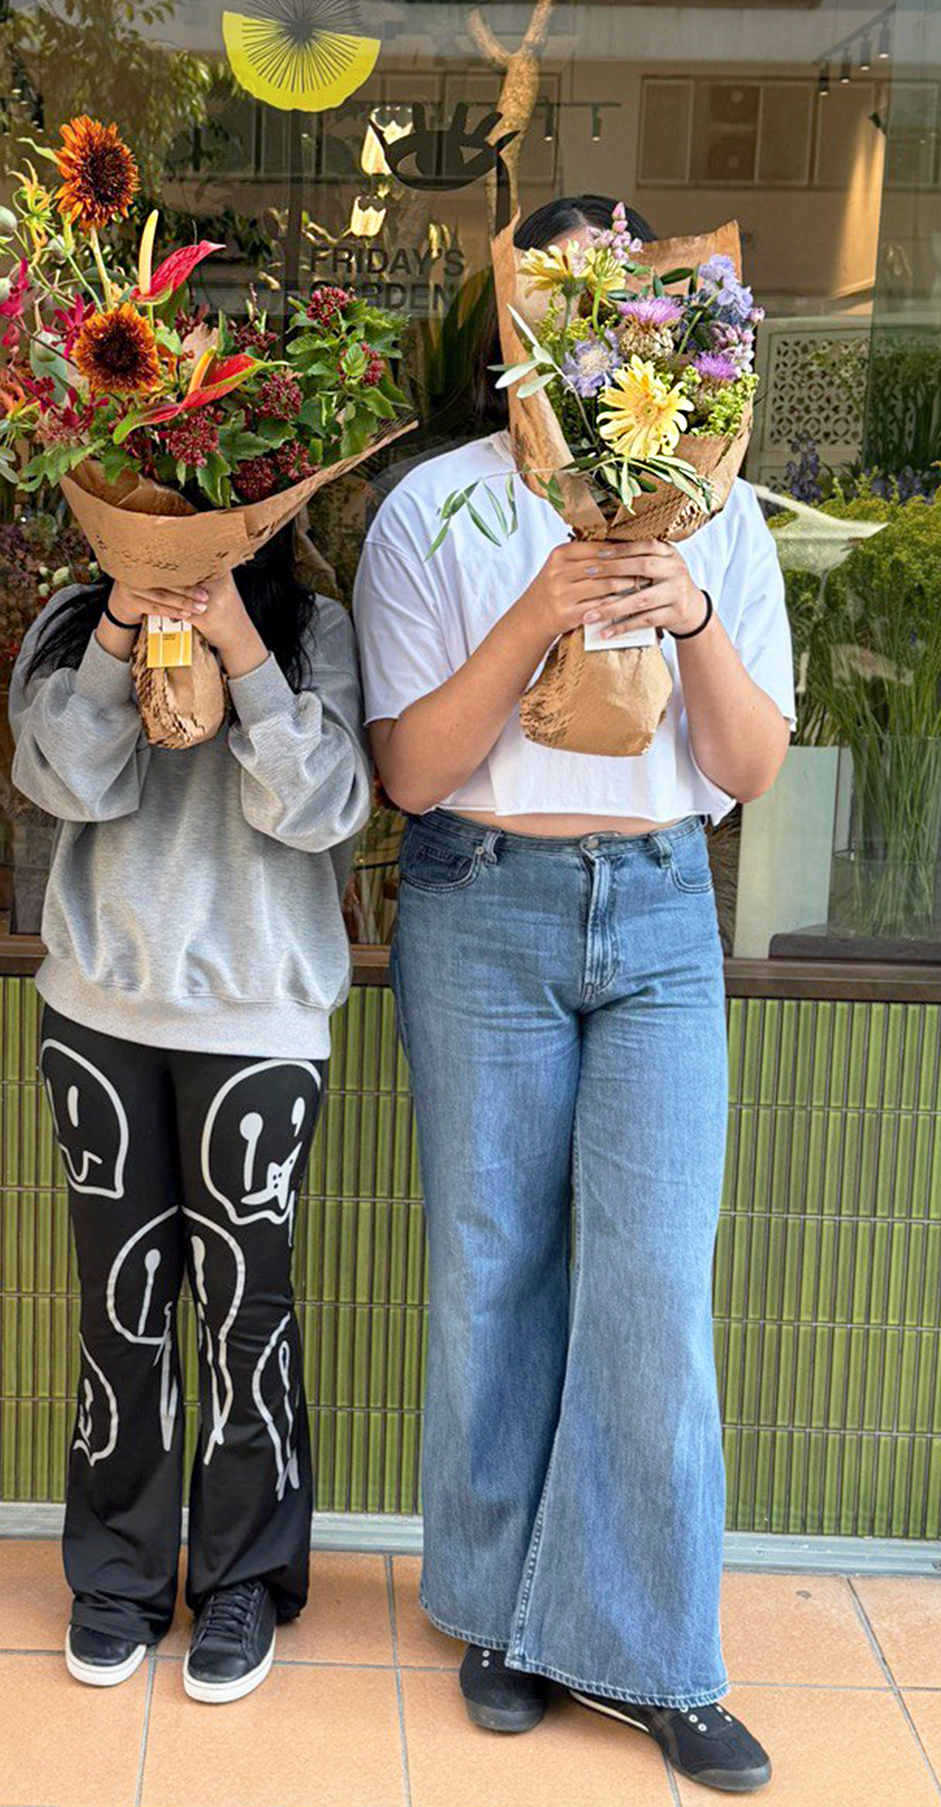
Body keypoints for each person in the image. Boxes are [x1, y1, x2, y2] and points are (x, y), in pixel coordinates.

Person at [352, 196, 793, 1794]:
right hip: (482, 900)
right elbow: (406, 767)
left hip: (664, 910)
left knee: (655, 1279)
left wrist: (685, 611)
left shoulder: (716, 510)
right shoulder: (436, 513)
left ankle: (662, 1649)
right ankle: (495, 1611)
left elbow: (744, 769)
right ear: (514, 329)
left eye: (627, 309)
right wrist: (539, 608)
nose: (595, 340)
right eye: (564, 306)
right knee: (491, 1263)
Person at [9, 529, 370, 1703]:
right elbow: (61, 779)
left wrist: (238, 645)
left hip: (257, 1015)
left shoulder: (310, 632)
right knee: (120, 1308)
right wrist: (120, 626)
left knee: (242, 1315)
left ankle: (243, 1582)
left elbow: (322, 811)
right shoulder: (72, 618)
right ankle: (116, 1575)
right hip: (101, 1008)